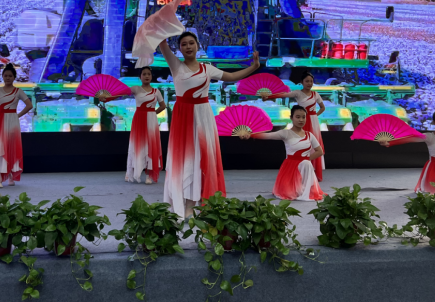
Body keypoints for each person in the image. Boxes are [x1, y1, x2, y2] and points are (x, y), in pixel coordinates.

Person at [160, 31, 261, 219]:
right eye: (184, 44)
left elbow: (232, 76)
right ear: (179, 48)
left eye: (191, 43)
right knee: (185, 160)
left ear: (198, 46)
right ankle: (185, 203)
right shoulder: (176, 66)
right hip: (183, 118)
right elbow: (162, 44)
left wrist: (254, 67)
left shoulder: (207, 69)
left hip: (203, 116)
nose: (188, 47)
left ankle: (197, 203)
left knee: (202, 159)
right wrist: (163, 29)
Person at [378, 110, 435, 197]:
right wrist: (389, 143)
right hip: (434, 169)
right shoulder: (429, 136)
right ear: (434, 122)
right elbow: (409, 138)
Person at [239, 105, 325, 201]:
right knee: (289, 193)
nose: (301, 120)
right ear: (291, 118)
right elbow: (268, 136)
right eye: (298, 117)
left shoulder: (310, 135)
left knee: (306, 163)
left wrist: (305, 159)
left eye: (303, 117)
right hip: (290, 167)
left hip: (305, 167)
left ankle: (305, 187)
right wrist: (250, 135)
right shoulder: (285, 133)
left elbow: (319, 151)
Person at [101, 67, 166, 184]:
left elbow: (163, 106)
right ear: (140, 77)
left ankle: (149, 175)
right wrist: (106, 98)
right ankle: (130, 172)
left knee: (150, 145)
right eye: (144, 74)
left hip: (151, 121)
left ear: (151, 76)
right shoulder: (136, 89)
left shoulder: (156, 91)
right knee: (137, 145)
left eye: (149, 74)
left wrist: (152, 113)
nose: (146, 76)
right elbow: (119, 94)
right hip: (139, 120)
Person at [262, 72, 326, 181]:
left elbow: (322, 107)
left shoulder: (316, 94)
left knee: (314, 146)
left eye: (311, 81)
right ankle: (298, 172)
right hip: (301, 122)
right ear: (302, 82)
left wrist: (314, 115)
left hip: (313, 122)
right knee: (300, 145)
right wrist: (269, 97)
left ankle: (315, 173)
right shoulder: (297, 93)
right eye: (307, 81)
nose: (309, 83)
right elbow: (283, 95)